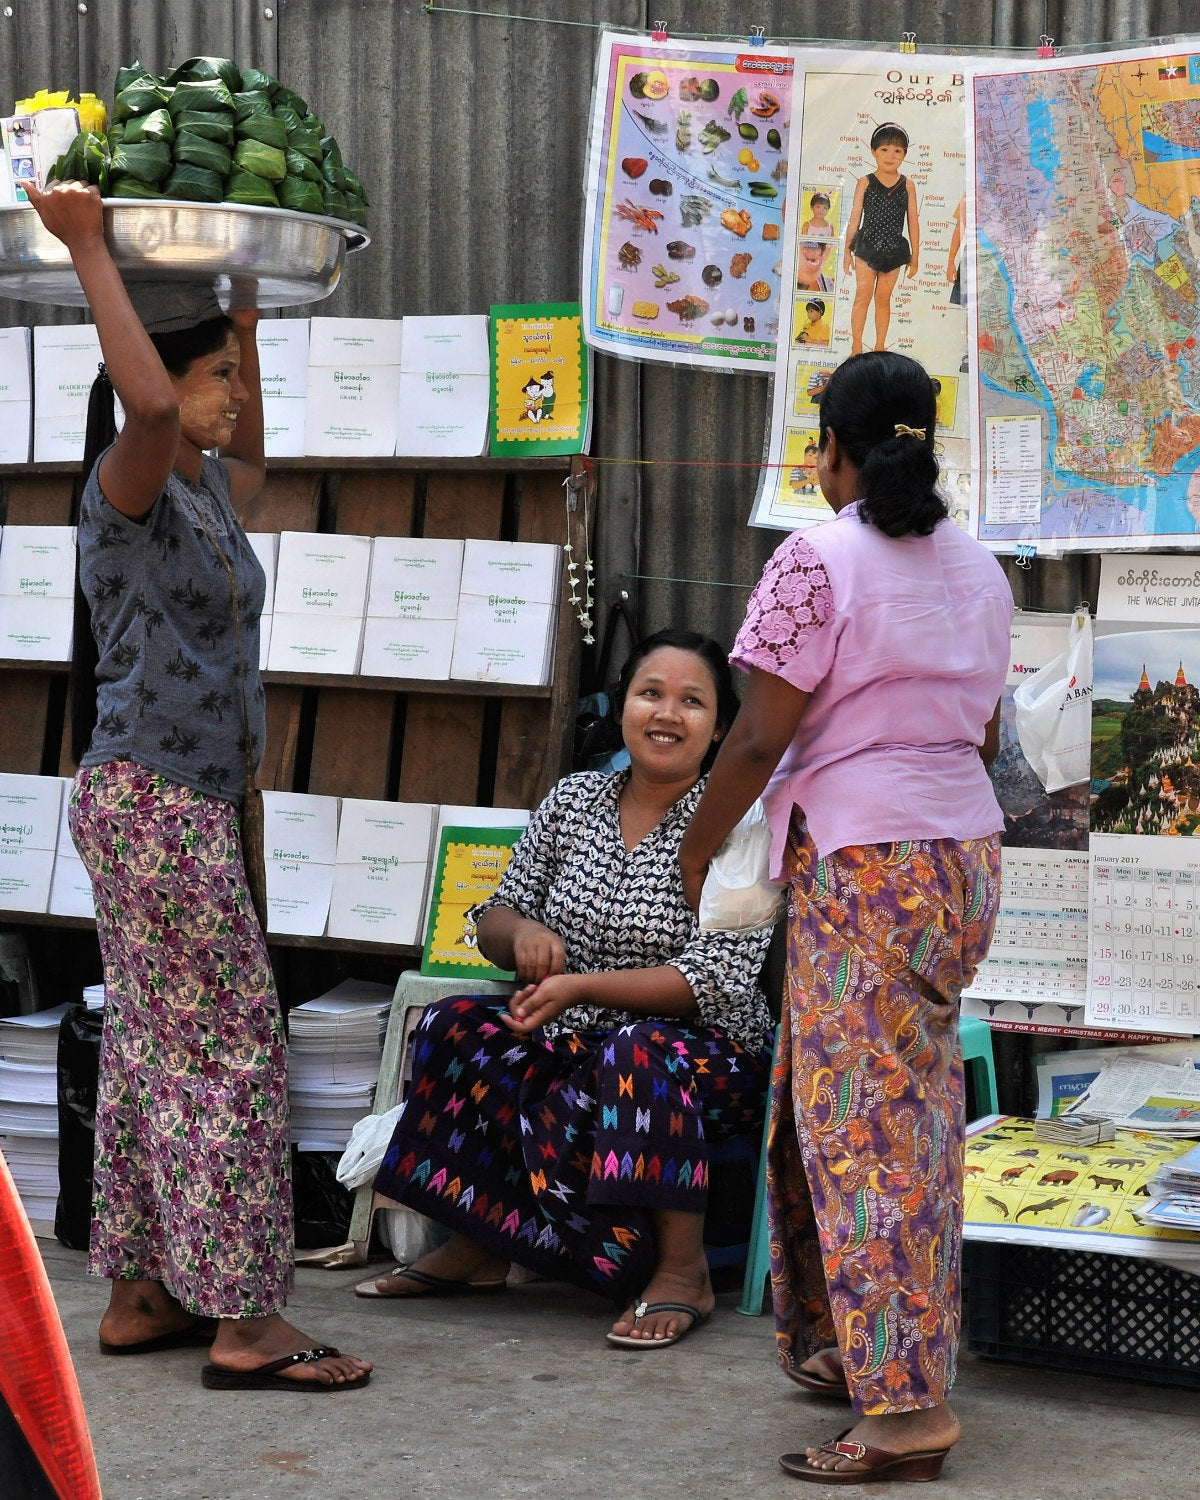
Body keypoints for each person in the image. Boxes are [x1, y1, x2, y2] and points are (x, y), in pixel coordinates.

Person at [24, 179, 371, 1393]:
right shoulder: (126, 486)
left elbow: (256, 457)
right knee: (229, 1050)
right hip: (154, 804)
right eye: (214, 375)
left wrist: (252, 331)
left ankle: (142, 1290)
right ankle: (245, 1318)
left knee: (155, 1051)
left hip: (176, 805)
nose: (223, 397)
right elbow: (159, 398)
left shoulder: (208, 497)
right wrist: (87, 254)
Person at [679, 352, 1012, 1481]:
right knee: (886, 1118)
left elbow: (759, 738)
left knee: (866, 1134)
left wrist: (688, 846)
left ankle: (906, 1413)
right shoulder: (981, 566)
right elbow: (979, 733)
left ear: (833, 450)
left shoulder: (814, 560)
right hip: (959, 861)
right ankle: (854, 1348)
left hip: (867, 865)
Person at [362, 630, 775, 1347]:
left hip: (705, 1052)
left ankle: (682, 1271)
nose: (667, 715)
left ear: (720, 727)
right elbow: (493, 914)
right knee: (454, 1023)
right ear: (623, 708)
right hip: (571, 1034)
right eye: (651, 694)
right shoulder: (574, 800)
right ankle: (482, 1240)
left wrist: (582, 982)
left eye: (692, 701)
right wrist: (519, 933)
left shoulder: (744, 823)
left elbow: (713, 978)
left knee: (639, 1054)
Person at [843, 123, 920, 355]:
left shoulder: (908, 185)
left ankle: (879, 346)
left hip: (894, 251)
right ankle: (856, 345)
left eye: (898, 151)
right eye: (885, 149)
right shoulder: (864, 182)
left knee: (884, 299)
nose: (891, 156)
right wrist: (847, 252)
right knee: (862, 295)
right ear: (874, 152)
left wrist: (915, 257)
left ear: (905, 154)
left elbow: (913, 222)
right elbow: (854, 218)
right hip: (866, 248)